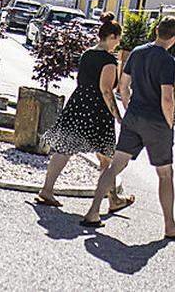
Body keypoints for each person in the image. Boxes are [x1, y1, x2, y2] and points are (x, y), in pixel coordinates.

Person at [81, 15, 175, 240]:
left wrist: (128, 108)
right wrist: (169, 123)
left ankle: (93, 212)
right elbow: (167, 98)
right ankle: (170, 226)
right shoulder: (167, 60)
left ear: (156, 31)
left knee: (115, 166)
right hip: (156, 122)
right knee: (165, 174)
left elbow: (123, 86)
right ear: (174, 37)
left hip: (134, 116)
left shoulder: (137, 51)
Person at [35, 13, 134, 212]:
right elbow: (106, 90)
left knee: (65, 149)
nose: (118, 44)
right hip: (96, 110)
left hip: (78, 103)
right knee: (106, 157)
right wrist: (118, 116)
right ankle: (112, 199)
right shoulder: (108, 60)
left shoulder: (87, 53)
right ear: (112, 37)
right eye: (118, 39)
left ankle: (47, 189)